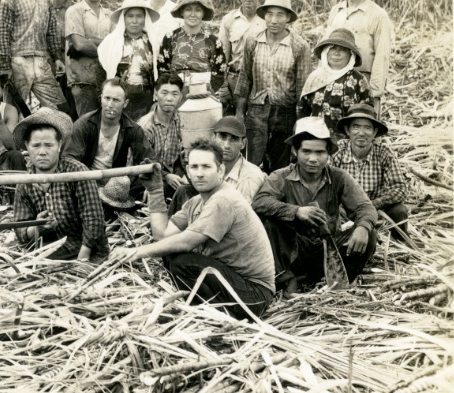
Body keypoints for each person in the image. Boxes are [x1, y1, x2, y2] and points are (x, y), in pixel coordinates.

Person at [102, 146, 275, 320]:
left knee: (183, 262)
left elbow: (187, 242)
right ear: (187, 171)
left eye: (206, 167)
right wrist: (155, 191)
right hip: (234, 284)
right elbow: (162, 235)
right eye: (194, 167)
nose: (199, 173)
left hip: (254, 296)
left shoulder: (223, 199)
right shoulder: (197, 201)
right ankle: (204, 309)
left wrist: (136, 252)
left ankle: (209, 315)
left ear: (220, 170)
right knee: (171, 256)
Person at [252, 117, 379, 294]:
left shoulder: (338, 177)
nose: (313, 159)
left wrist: (363, 227)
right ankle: (285, 278)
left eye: (319, 153)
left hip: (328, 248)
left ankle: (339, 281)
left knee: (369, 234)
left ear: (328, 154)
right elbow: (259, 202)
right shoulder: (280, 176)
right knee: (269, 220)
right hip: (294, 251)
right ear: (295, 151)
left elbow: (365, 207)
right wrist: (295, 212)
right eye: (307, 152)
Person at [12, 109, 109, 262]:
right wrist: (38, 226)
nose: (42, 152)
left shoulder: (77, 172)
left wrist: (81, 262)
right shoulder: (25, 183)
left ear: (59, 145)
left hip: (87, 252)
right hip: (48, 255)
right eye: (36, 145)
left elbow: (94, 220)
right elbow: (21, 231)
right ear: (27, 146)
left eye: (49, 145)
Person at [235, 0, 313, 171]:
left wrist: (299, 122)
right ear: (264, 16)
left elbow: (303, 91)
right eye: (269, 14)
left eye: (280, 15)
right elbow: (245, 78)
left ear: (288, 18)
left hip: (285, 113)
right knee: (250, 163)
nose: (274, 20)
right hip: (257, 110)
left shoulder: (299, 47)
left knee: (279, 166)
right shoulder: (252, 41)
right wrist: (240, 112)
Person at [0, 0, 66, 112]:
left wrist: (57, 58)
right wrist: (5, 66)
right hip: (18, 62)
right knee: (12, 111)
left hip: (41, 62)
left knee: (60, 109)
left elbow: (52, 30)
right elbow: (3, 35)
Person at [324, 0, 394, 120]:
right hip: (335, 80)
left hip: (363, 81)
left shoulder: (377, 15)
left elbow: (382, 56)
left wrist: (374, 93)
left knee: (361, 130)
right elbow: (327, 48)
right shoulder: (336, 11)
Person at [333, 103, 411, 241]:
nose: (361, 133)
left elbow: (400, 188)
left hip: (377, 209)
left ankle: (399, 245)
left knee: (399, 210)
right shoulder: (337, 151)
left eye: (367, 128)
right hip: (344, 210)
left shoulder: (384, 153)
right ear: (347, 130)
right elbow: (325, 184)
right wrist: (340, 206)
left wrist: (374, 204)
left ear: (374, 132)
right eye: (356, 127)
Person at [66, 79, 148, 198]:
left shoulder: (132, 129)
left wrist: (150, 186)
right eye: (107, 98)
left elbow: (148, 158)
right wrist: (86, 177)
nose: (110, 104)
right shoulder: (84, 124)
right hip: (87, 183)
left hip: (116, 186)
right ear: (101, 99)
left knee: (147, 184)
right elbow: (69, 158)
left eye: (116, 100)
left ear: (125, 103)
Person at [168, 116, 267, 212]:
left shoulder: (250, 176)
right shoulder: (211, 165)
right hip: (211, 215)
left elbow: (238, 215)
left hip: (229, 221)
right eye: (222, 137)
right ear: (213, 138)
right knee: (183, 190)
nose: (227, 145)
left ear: (243, 143)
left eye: (234, 139)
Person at [297, 28, 371, 138]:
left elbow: (366, 113)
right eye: (333, 48)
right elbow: (303, 109)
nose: (337, 53)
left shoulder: (358, 80)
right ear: (326, 52)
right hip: (315, 139)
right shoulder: (315, 77)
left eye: (343, 50)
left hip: (345, 140)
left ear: (351, 55)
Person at [97, 0, 160, 120]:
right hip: (119, 97)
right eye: (130, 16)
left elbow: (161, 73)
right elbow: (100, 74)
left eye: (139, 16)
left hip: (146, 97)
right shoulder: (111, 43)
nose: (134, 21)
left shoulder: (154, 43)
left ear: (145, 18)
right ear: (123, 18)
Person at [156, 0, 228, 98]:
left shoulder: (213, 41)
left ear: (203, 13)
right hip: (175, 94)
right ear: (182, 12)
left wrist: (208, 91)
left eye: (198, 10)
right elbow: (163, 70)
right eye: (188, 9)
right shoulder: (170, 38)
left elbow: (219, 73)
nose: (193, 14)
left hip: (204, 94)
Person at [65, 0, 112, 118]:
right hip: (83, 80)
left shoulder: (110, 15)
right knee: (87, 125)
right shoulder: (75, 11)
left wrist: (91, 40)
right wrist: (107, 46)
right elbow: (79, 44)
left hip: (106, 81)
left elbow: (117, 46)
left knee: (107, 124)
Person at [219, 0, 266, 96]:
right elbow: (222, 57)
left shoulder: (267, 21)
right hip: (234, 80)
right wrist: (223, 87)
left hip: (260, 82)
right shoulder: (228, 20)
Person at [138, 73, 186, 194]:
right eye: (164, 93)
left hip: (173, 176)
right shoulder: (146, 126)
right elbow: (141, 162)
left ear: (180, 97)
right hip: (144, 177)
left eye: (175, 94)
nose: (169, 98)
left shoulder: (182, 121)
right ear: (155, 94)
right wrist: (165, 176)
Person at [44, 0, 77, 114]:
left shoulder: (74, 9)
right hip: (46, 60)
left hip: (69, 59)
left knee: (69, 102)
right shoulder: (42, 7)